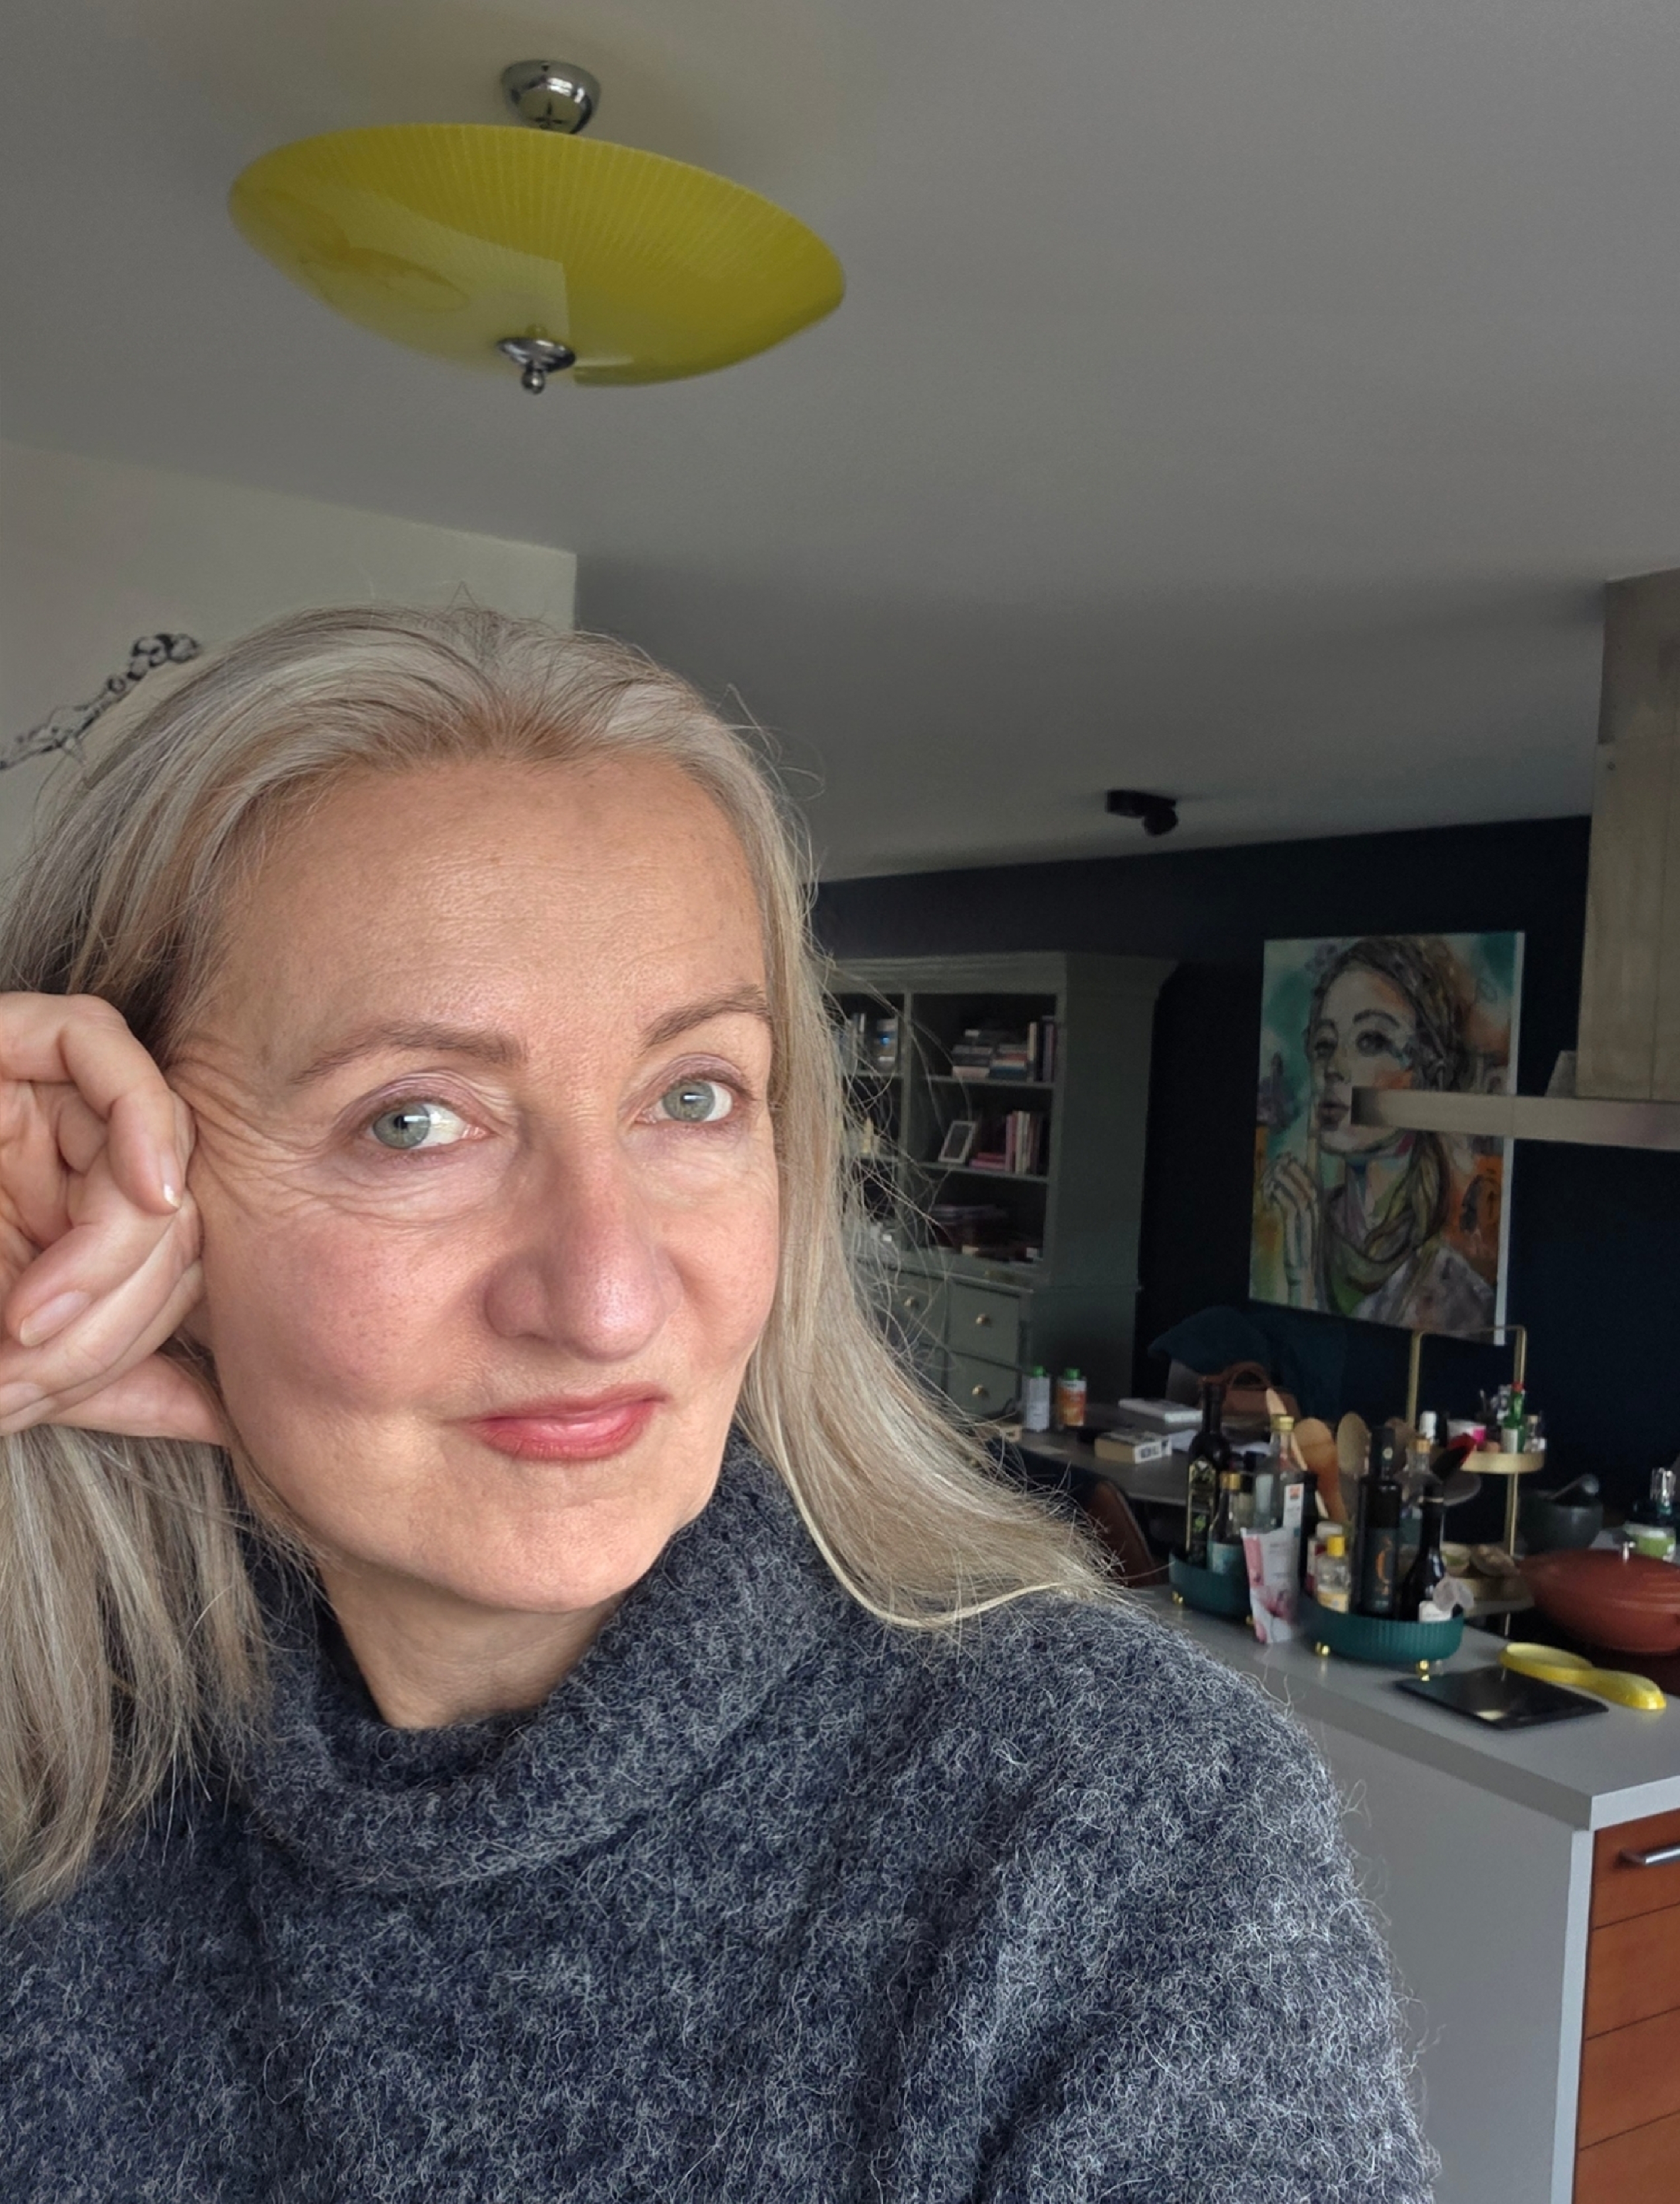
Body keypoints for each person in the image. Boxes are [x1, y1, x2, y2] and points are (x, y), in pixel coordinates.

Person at [0, 607, 1432, 2201]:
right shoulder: (58, 1774)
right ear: (116, 1178)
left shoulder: (1113, 1834)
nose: (608, 1297)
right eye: (413, 1120)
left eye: (692, 1096)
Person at [1261, 934, 1496, 1336]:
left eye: (1371, 1041)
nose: (1334, 1067)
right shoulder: (1289, 1224)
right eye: (1324, 1044)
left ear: (1430, 1079)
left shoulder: (1455, 1292)